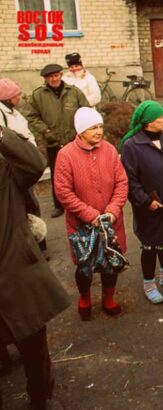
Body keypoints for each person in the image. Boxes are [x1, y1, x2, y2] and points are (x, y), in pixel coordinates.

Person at [0, 126, 71, 409]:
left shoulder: (6, 172)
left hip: (17, 276)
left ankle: (41, 398)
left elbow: (34, 163)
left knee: (34, 349)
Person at [54, 107, 128, 319]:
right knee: (84, 266)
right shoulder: (66, 155)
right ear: (80, 131)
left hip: (111, 222)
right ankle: (85, 298)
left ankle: (108, 298)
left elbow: (122, 182)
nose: (98, 131)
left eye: (100, 126)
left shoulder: (110, 150)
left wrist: (113, 210)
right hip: (82, 225)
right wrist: (90, 215)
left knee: (111, 262)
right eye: (93, 127)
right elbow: (63, 192)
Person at [120, 101, 163, 304]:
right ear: (148, 122)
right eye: (160, 117)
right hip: (150, 206)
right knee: (150, 246)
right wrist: (145, 201)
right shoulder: (132, 146)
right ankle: (149, 284)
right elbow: (130, 180)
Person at [24, 63, 90, 218]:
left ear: (61, 75)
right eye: (50, 77)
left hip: (74, 141)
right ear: (45, 79)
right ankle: (59, 205)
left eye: (56, 75)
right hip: (53, 143)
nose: (53, 79)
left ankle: (82, 202)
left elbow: (85, 110)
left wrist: (80, 132)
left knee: (80, 173)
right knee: (57, 176)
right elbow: (32, 116)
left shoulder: (74, 92)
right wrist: (46, 131)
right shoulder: (38, 95)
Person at [0, 78, 49, 257]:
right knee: (26, 204)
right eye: (15, 95)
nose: (19, 97)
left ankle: (38, 243)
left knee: (31, 204)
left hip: (26, 163)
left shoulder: (12, 111)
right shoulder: (2, 114)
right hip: (16, 168)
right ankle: (34, 248)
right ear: (6, 98)